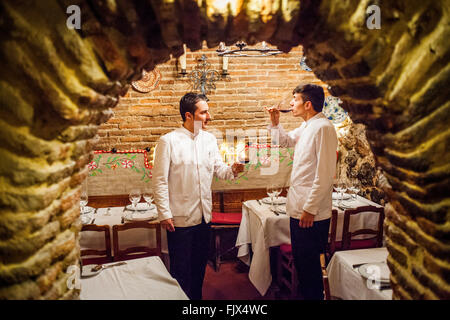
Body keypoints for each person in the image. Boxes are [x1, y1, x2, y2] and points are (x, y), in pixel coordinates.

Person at [152, 92, 244, 300]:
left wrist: (234, 169)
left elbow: (219, 170)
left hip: (204, 217)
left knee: (199, 267)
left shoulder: (210, 140)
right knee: (181, 270)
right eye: (203, 112)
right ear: (188, 116)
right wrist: (164, 213)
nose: (209, 116)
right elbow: (159, 180)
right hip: (180, 219)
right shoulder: (168, 141)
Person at [266, 84, 338, 300]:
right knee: (302, 265)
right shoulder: (308, 126)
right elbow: (284, 142)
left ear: (308, 104)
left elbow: (325, 174)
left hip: (311, 214)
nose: (290, 103)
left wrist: (310, 209)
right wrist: (275, 123)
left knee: (311, 270)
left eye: (294, 99)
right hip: (299, 209)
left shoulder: (323, 127)